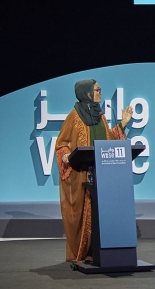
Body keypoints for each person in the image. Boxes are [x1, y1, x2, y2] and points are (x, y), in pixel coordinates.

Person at [55, 79, 133, 262]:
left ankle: (98, 252)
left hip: (102, 176)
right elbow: (61, 145)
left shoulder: (100, 116)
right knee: (81, 217)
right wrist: (66, 155)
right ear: (87, 92)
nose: (100, 93)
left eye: (99, 90)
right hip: (81, 175)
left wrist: (123, 123)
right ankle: (82, 253)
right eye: (97, 90)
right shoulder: (74, 117)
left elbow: (108, 142)